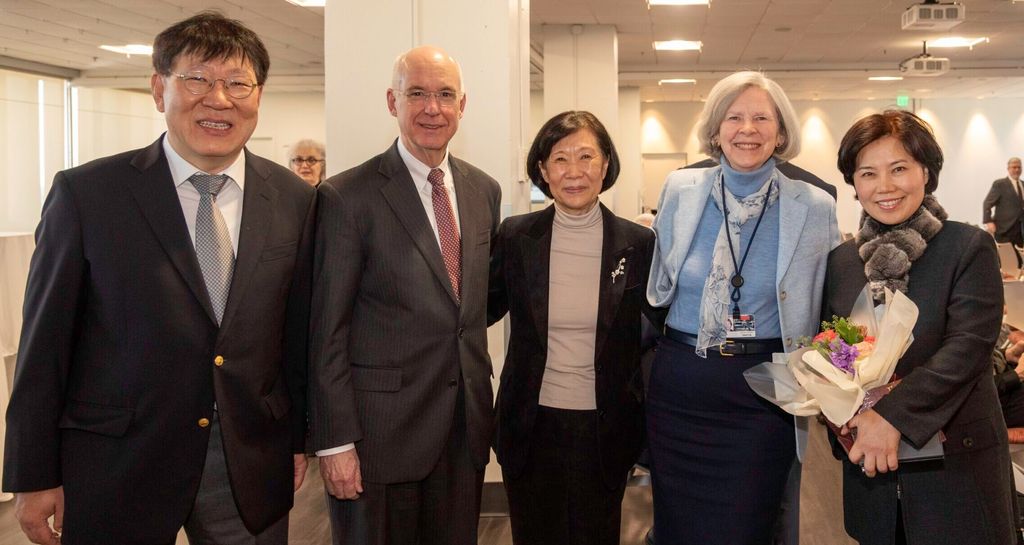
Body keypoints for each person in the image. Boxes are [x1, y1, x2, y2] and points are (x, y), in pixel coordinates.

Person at [2, 11, 314, 545]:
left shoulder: (296, 199)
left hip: (245, 458)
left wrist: (298, 440)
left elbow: (298, 333)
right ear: (157, 87)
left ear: (258, 96)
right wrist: (33, 472)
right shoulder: (88, 195)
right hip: (117, 457)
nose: (218, 100)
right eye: (196, 79)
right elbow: (45, 343)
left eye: (238, 83)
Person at [309, 45, 501, 545]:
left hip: (463, 430)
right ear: (392, 102)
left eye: (444, 95)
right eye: (416, 93)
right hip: (378, 436)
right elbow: (326, 330)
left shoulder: (484, 191)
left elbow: (470, 307)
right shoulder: (346, 197)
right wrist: (333, 443)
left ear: (463, 105)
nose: (431, 108)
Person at [645, 71, 839, 544]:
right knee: (676, 525)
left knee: (748, 525)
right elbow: (657, 282)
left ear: (780, 132)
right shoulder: (680, 190)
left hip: (762, 393)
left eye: (760, 117)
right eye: (734, 117)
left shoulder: (813, 205)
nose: (747, 128)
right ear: (716, 130)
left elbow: (829, 296)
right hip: (681, 387)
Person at [825, 109, 1016, 545]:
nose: (885, 186)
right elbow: (833, 350)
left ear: (926, 173)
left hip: (956, 472)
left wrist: (887, 416)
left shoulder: (967, 246)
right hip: (872, 476)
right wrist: (843, 416)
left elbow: (967, 350)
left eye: (899, 169)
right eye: (868, 173)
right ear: (854, 184)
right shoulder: (844, 262)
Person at [488, 111, 656, 545]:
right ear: (543, 170)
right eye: (560, 159)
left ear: (606, 166)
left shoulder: (637, 244)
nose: (574, 172)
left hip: (605, 425)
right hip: (531, 422)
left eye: (586, 156)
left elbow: (660, 329)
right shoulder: (515, 236)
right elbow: (480, 310)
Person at [983, 157, 1024, 247]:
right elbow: (987, 203)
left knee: (1020, 259)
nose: (1017, 170)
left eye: (1019, 167)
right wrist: (988, 221)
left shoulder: (1023, 184)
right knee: (1007, 259)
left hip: (1020, 232)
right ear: (1008, 168)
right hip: (1004, 230)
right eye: (1014, 167)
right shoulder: (1000, 184)